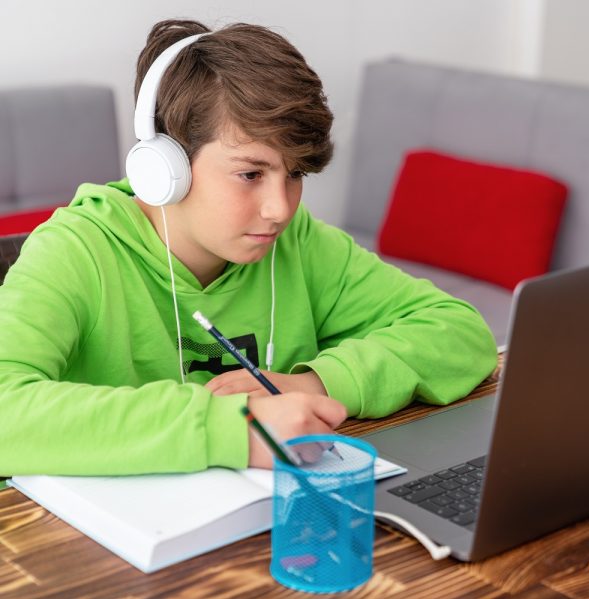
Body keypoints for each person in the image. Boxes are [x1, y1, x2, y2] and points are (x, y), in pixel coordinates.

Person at [0, 19, 497, 476]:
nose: (280, 208)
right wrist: (234, 428)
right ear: (165, 167)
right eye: (251, 174)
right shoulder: (76, 252)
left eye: (295, 174)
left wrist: (316, 384)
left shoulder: (301, 244)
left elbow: (459, 332)